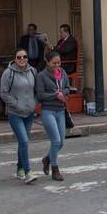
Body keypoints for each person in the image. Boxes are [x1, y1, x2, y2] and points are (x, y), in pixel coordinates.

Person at [0, 48, 39, 184]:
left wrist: (34, 103)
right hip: (15, 113)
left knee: (23, 141)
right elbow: (3, 93)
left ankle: (19, 168)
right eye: (19, 57)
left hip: (29, 113)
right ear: (15, 58)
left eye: (24, 57)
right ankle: (28, 171)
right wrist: (16, 104)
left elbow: (36, 90)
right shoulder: (8, 73)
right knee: (24, 141)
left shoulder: (33, 71)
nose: (22, 59)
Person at [35, 51, 71, 181]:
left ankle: (47, 159)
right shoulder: (41, 76)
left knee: (61, 142)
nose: (57, 65)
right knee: (55, 140)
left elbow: (67, 88)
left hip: (60, 110)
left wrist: (63, 92)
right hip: (48, 110)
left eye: (59, 63)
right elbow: (40, 95)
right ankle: (55, 169)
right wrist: (55, 95)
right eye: (54, 63)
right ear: (47, 62)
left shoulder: (62, 73)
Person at [53, 24, 79, 135]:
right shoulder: (61, 41)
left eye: (61, 32)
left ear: (66, 32)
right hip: (58, 63)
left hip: (67, 65)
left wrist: (54, 49)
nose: (60, 34)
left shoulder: (71, 41)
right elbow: (56, 50)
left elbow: (62, 51)